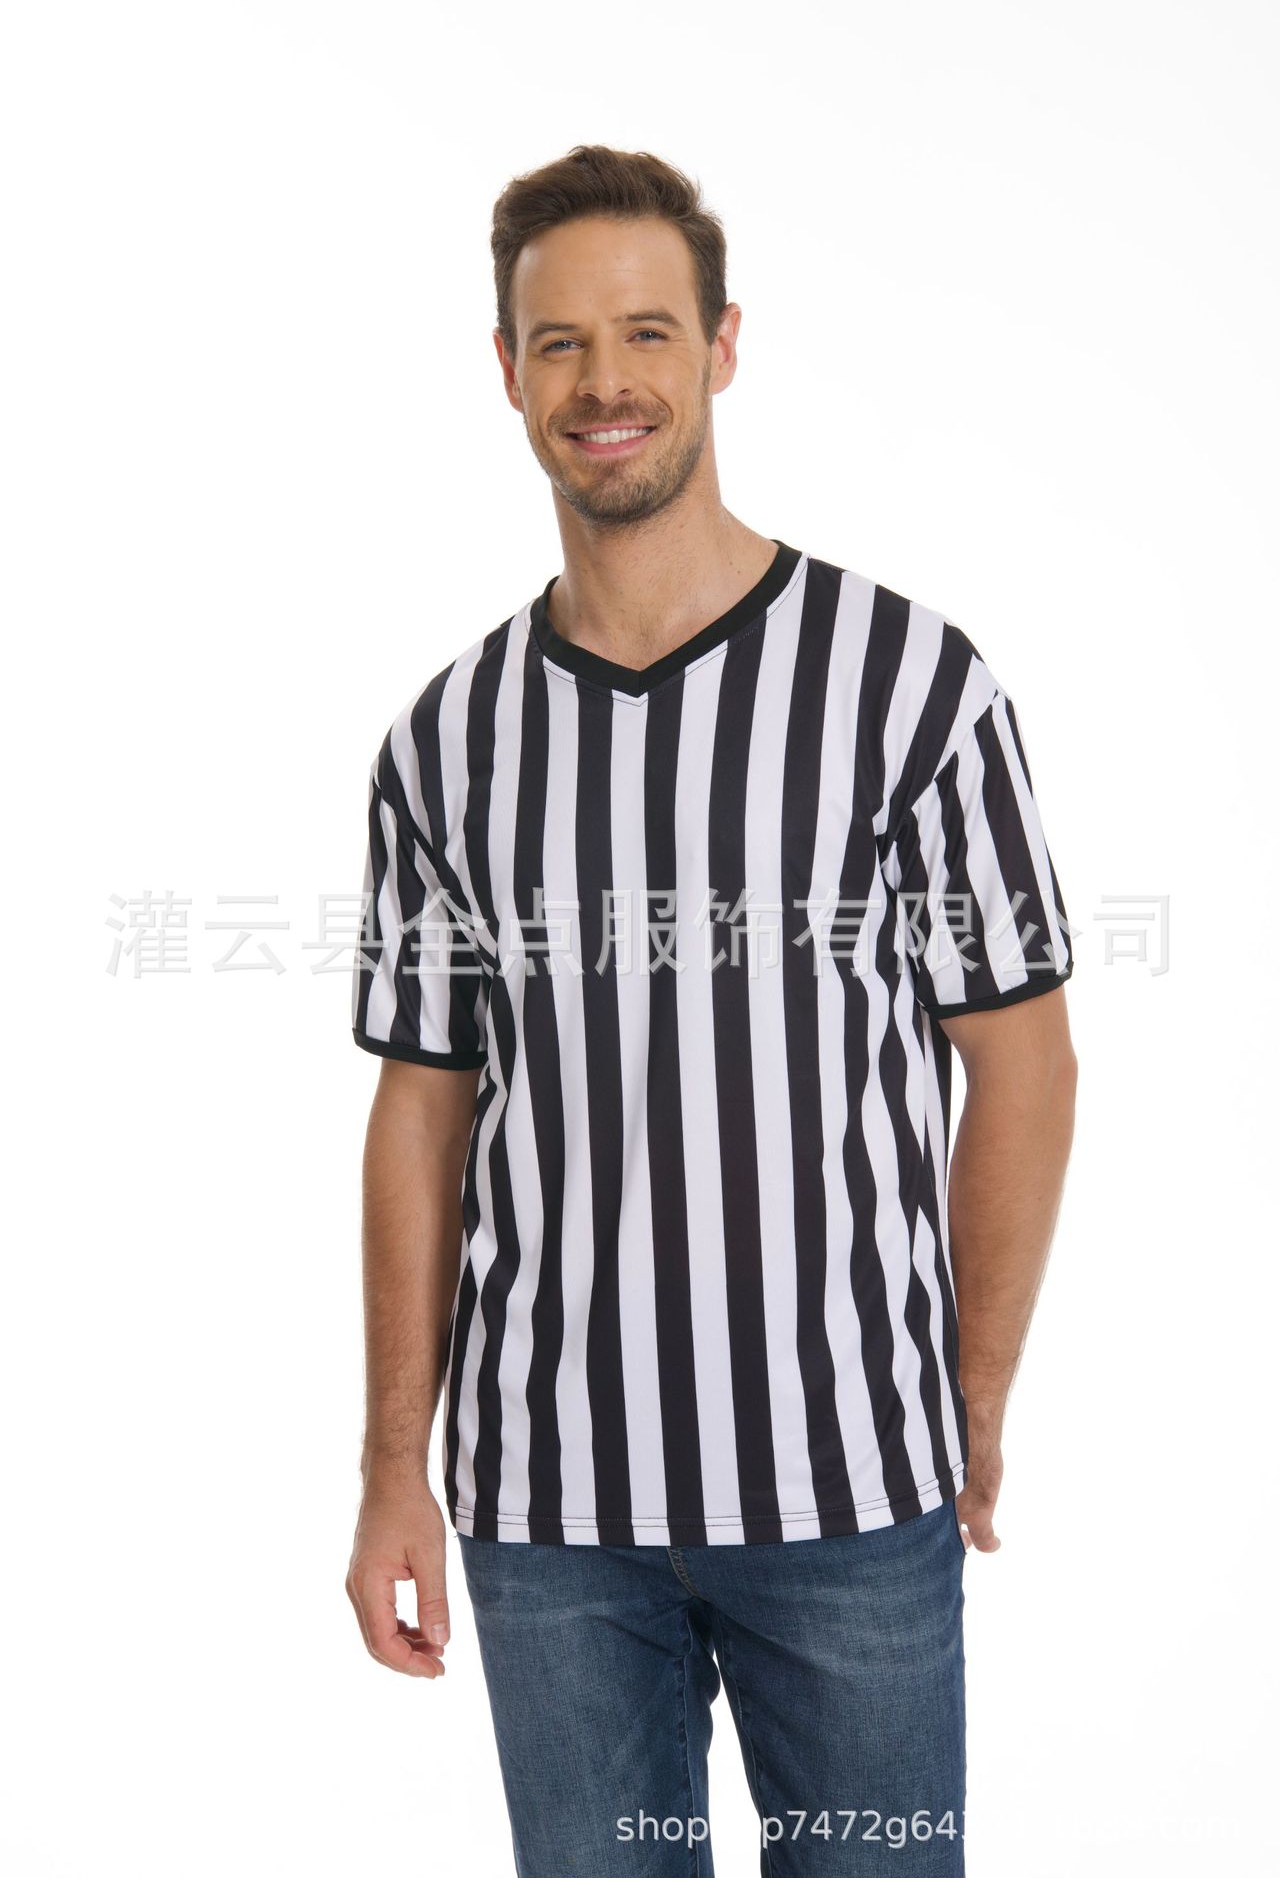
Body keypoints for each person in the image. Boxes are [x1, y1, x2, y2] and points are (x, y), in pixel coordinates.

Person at [345, 143, 1078, 1876]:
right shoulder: (447, 740)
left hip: (850, 1488)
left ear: (724, 346)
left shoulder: (909, 686)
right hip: (548, 1518)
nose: (604, 383)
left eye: (648, 333)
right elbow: (422, 1108)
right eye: (560, 343)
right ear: (508, 371)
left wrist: (971, 1393)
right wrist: (392, 1465)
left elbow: (1024, 1061)